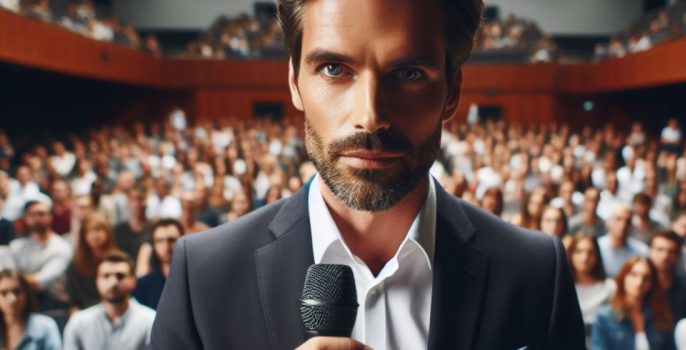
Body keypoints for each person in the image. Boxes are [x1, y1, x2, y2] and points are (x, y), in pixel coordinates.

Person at [151, 0, 585, 348]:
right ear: (294, 81)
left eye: (409, 73)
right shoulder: (202, 279)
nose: (370, 116)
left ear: (452, 91)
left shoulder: (536, 274)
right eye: (334, 69)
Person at [63, 250, 155, 350]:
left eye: (120, 276)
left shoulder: (150, 321)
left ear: (133, 281)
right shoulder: (79, 322)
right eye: (106, 276)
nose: (113, 282)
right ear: (97, 281)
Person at [591, 257, 673, 350]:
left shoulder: (660, 315)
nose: (639, 282)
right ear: (623, 277)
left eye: (646, 278)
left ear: (652, 283)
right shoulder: (605, 316)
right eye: (634, 275)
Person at [9, 201, 73, 308]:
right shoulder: (17, 246)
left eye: (41, 213)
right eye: (31, 214)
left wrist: (17, 279)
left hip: (52, 303)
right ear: (26, 218)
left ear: (50, 216)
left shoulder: (62, 247)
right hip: (20, 303)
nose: (37, 218)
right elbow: (6, 279)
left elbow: (39, 282)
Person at [647, 230, 686, 324]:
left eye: (671, 252)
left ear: (678, 256)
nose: (665, 256)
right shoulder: (640, 285)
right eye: (660, 249)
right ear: (650, 251)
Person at [66, 213, 118, 311]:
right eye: (89, 231)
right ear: (83, 236)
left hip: (115, 310)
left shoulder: (119, 262)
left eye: (99, 230)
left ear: (108, 232)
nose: (95, 235)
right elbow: (74, 304)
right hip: (86, 314)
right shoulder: (75, 265)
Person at [0, 270, 62, 350]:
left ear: (26, 294)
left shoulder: (45, 326)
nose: (12, 299)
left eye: (17, 292)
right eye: (4, 293)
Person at [567, 234, 615, 334]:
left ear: (597, 256)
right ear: (570, 254)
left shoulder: (609, 288)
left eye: (590, 252)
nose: (585, 258)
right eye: (579, 251)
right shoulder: (562, 288)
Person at [133, 219, 184, 310]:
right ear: (154, 245)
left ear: (182, 241)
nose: (166, 246)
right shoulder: (143, 284)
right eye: (160, 241)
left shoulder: (193, 279)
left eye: (172, 240)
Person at [598, 205, 648, 277]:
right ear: (608, 222)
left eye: (628, 221)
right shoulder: (596, 248)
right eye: (618, 219)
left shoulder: (641, 251)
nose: (623, 225)